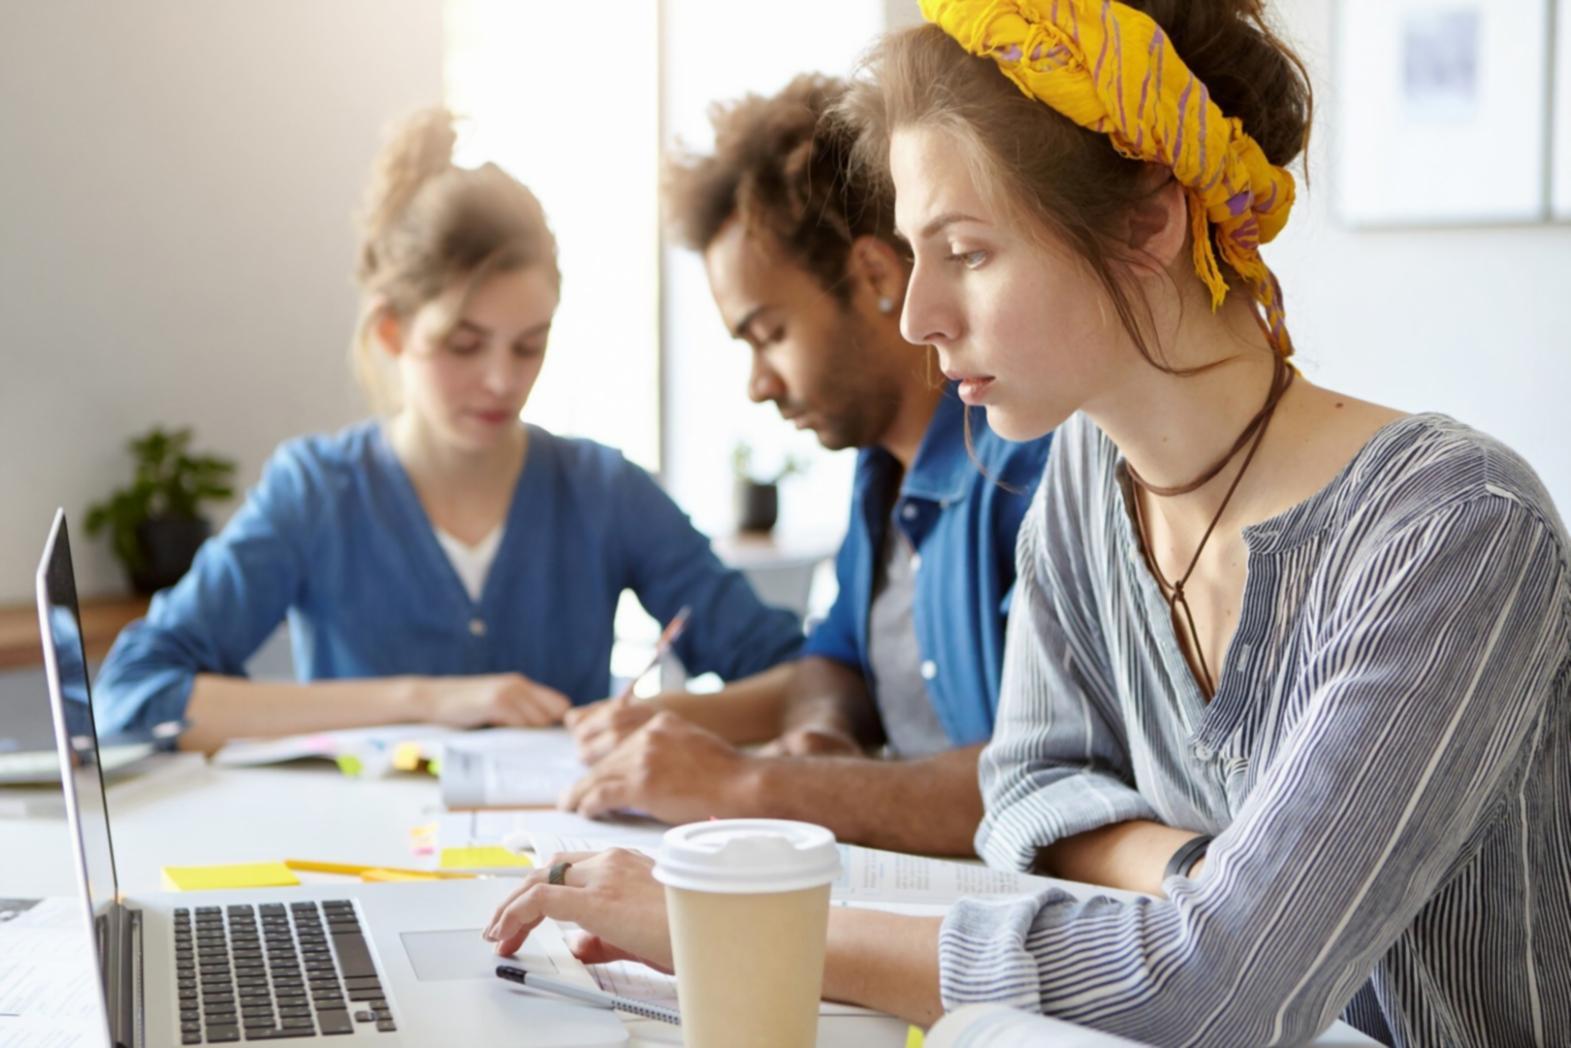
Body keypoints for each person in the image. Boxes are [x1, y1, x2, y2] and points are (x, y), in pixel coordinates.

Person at [483, 3, 1571, 1044]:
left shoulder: (1454, 533)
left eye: (963, 252)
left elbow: (1215, 989)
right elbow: (1020, 788)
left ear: (1148, 221)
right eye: (912, 258)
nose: (916, 316)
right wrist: (1205, 873)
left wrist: (730, 926)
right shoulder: (1085, 485)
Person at [94, 109, 803, 752]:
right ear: (393, 330)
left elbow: (803, 681)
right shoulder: (317, 491)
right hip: (357, 867)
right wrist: (425, 702)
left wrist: (648, 722)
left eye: (528, 345)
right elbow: (133, 694)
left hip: (559, 872)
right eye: (464, 345)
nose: (501, 380)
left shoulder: (604, 490)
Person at [561, 75, 1052, 856]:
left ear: (873, 278)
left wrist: (748, 784)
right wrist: (820, 731)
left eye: (769, 334)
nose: (760, 383)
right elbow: (834, 658)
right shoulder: (882, 474)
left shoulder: (1027, 472)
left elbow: (1035, 789)